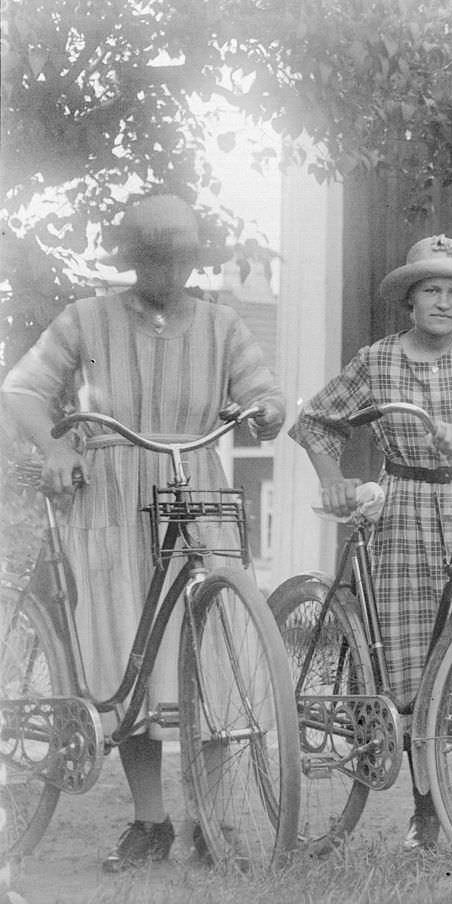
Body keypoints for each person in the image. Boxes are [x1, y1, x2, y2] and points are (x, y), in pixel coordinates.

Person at [1, 193, 285, 871]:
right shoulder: (86, 319)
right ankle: (150, 821)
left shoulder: (222, 324)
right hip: (111, 494)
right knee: (129, 652)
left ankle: (215, 824)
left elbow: (264, 391)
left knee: (209, 653)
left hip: (199, 488)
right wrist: (59, 449)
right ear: (131, 261)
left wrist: (265, 411)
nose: (169, 272)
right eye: (154, 260)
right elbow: (22, 391)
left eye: (181, 259)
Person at [289, 234, 452, 855]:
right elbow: (316, 422)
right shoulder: (376, 363)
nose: (445, 302)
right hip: (401, 512)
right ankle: (424, 811)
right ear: (410, 299)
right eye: (433, 289)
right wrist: (336, 482)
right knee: (409, 658)